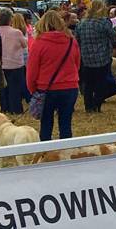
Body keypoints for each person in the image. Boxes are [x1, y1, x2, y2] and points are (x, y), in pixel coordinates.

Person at [26, 11, 81, 141]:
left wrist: (33, 90)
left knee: (46, 124)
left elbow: (31, 70)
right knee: (66, 123)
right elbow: (77, 64)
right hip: (70, 86)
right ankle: (66, 151)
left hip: (46, 88)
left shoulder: (38, 43)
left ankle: (46, 153)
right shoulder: (71, 41)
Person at [75, 0, 116, 113]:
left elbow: (77, 40)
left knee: (88, 85)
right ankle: (97, 104)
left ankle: (88, 107)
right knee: (101, 84)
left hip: (86, 59)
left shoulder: (81, 23)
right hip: (102, 58)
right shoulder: (103, 23)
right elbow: (114, 37)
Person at [0, 10, 29, 114]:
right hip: (15, 64)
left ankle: (4, 108)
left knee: (3, 89)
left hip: (1, 64)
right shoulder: (16, 32)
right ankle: (15, 109)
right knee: (15, 89)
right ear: (10, 19)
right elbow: (25, 45)